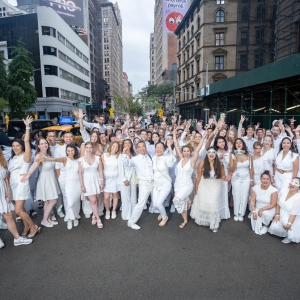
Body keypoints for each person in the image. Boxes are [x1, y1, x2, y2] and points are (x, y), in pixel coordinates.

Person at [8, 116, 40, 238]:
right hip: (14, 185)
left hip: (21, 184)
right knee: (22, 210)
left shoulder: (25, 157)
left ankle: (33, 226)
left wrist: (27, 126)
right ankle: (26, 226)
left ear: (22, 146)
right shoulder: (12, 158)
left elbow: (27, 141)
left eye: (17, 145)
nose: (15, 147)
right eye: (13, 145)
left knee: (18, 210)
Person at [37, 145, 81, 230]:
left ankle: (75, 217)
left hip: (77, 184)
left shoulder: (78, 160)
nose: (70, 152)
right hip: (69, 184)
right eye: (68, 151)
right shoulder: (64, 159)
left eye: (72, 150)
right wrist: (45, 159)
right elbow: (55, 159)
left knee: (76, 202)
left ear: (75, 151)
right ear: (66, 151)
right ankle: (69, 219)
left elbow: (80, 173)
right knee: (70, 202)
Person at [21, 138, 61, 228]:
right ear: (38, 146)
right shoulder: (39, 155)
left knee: (47, 201)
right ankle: (44, 220)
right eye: (42, 144)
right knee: (53, 200)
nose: (44, 145)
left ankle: (48, 219)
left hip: (51, 179)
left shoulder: (48, 154)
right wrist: (28, 174)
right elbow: (34, 165)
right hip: (45, 180)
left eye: (45, 143)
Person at [172, 127, 205, 228]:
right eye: (184, 151)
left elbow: (198, 148)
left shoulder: (192, 160)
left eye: (187, 151)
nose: (186, 153)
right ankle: (185, 220)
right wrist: (174, 133)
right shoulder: (180, 159)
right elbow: (176, 145)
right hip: (177, 184)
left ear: (190, 152)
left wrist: (204, 137)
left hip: (187, 185)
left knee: (176, 200)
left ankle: (188, 201)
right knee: (182, 203)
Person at [0, 148, 33, 247]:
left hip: (3, 190)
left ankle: (17, 239)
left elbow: (5, 176)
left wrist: (8, 190)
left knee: (9, 215)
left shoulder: (2, 160)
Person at [191, 148, 229, 232]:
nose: (211, 154)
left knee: (213, 204)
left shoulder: (220, 164)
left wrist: (226, 178)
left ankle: (214, 224)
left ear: (216, 155)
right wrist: (196, 189)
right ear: (207, 154)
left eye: (213, 152)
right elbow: (198, 178)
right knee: (204, 203)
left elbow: (222, 176)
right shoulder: (202, 163)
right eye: (209, 152)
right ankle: (206, 220)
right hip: (204, 186)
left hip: (215, 187)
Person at [127, 141, 154, 230]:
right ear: (137, 149)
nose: (142, 148)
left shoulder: (150, 156)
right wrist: (125, 154)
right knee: (141, 204)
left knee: (158, 201)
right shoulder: (135, 159)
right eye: (140, 147)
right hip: (144, 184)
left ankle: (161, 215)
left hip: (154, 183)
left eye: (144, 146)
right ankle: (131, 222)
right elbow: (127, 163)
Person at [78, 142, 105, 229]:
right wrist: (82, 185)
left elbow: (100, 170)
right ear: (85, 148)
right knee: (93, 201)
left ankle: (94, 215)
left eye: (90, 147)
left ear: (93, 148)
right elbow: (80, 173)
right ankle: (99, 219)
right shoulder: (81, 160)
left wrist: (102, 181)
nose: (89, 149)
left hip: (96, 179)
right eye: (87, 147)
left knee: (96, 199)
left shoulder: (98, 158)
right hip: (87, 181)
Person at [269, 177, 300, 244]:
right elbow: (278, 203)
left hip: (292, 216)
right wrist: (277, 215)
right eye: (292, 181)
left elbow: (293, 213)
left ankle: (289, 236)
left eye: (296, 183)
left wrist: (289, 224)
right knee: (274, 226)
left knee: (290, 232)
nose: (292, 184)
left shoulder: (298, 198)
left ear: (299, 187)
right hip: (282, 212)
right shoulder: (283, 190)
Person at [230, 138, 254, 221]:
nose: (238, 144)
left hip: (246, 178)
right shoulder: (232, 155)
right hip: (236, 177)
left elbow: (251, 168)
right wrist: (234, 161)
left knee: (244, 195)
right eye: (236, 143)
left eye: (240, 142)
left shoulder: (249, 155)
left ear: (243, 144)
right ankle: (236, 213)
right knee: (236, 195)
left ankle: (242, 213)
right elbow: (231, 169)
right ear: (235, 145)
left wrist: (251, 180)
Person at [152, 141, 175, 226]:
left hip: (166, 184)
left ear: (164, 149)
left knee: (159, 203)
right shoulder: (153, 158)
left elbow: (171, 162)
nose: (159, 149)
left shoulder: (166, 158)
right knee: (155, 204)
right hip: (156, 184)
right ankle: (162, 212)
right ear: (155, 149)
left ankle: (165, 217)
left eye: (161, 147)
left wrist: (169, 147)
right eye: (157, 147)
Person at [250, 171, 278, 235]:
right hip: (258, 207)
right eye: (263, 179)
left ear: (270, 180)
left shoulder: (273, 190)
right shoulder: (256, 188)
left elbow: (273, 204)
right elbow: (252, 200)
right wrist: (254, 211)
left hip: (269, 208)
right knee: (254, 224)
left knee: (265, 214)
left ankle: (266, 226)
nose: (265, 181)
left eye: (267, 179)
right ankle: (262, 221)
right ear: (260, 179)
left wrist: (262, 209)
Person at [54, 132, 74, 220]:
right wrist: (59, 177)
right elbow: (57, 165)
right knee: (66, 195)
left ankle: (74, 212)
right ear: (63, 138)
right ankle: (68, 214)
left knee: (73, 195)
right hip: (63, 175)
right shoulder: (59, 149)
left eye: (70, 137)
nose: (68, 138)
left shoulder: (76, 148)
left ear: (72, 138)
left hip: (74, 176)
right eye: (66, 137)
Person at [118, 139, 136, 220]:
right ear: (123, 145)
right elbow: (120, 168)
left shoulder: (134, 154)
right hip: (125, 178)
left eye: (129, 143)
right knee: (125, 196)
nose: (127, 144)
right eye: (125, 143)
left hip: (134, 177)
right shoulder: (121, 155)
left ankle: (133, 214)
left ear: (131, 145)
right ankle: (126, 215)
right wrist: (124, 179)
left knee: (133, 196)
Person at [101, 141, 120, 220]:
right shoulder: (104, 155)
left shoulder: (119, 156)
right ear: (110, 146)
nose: (115, 148)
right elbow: (101, 168)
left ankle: (114, 210)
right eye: (113, 146)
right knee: (106, 197)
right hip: (106, 178)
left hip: (115, 178)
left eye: (116, 147)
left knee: (115, 195)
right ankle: (108, 211)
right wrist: (101, 179)